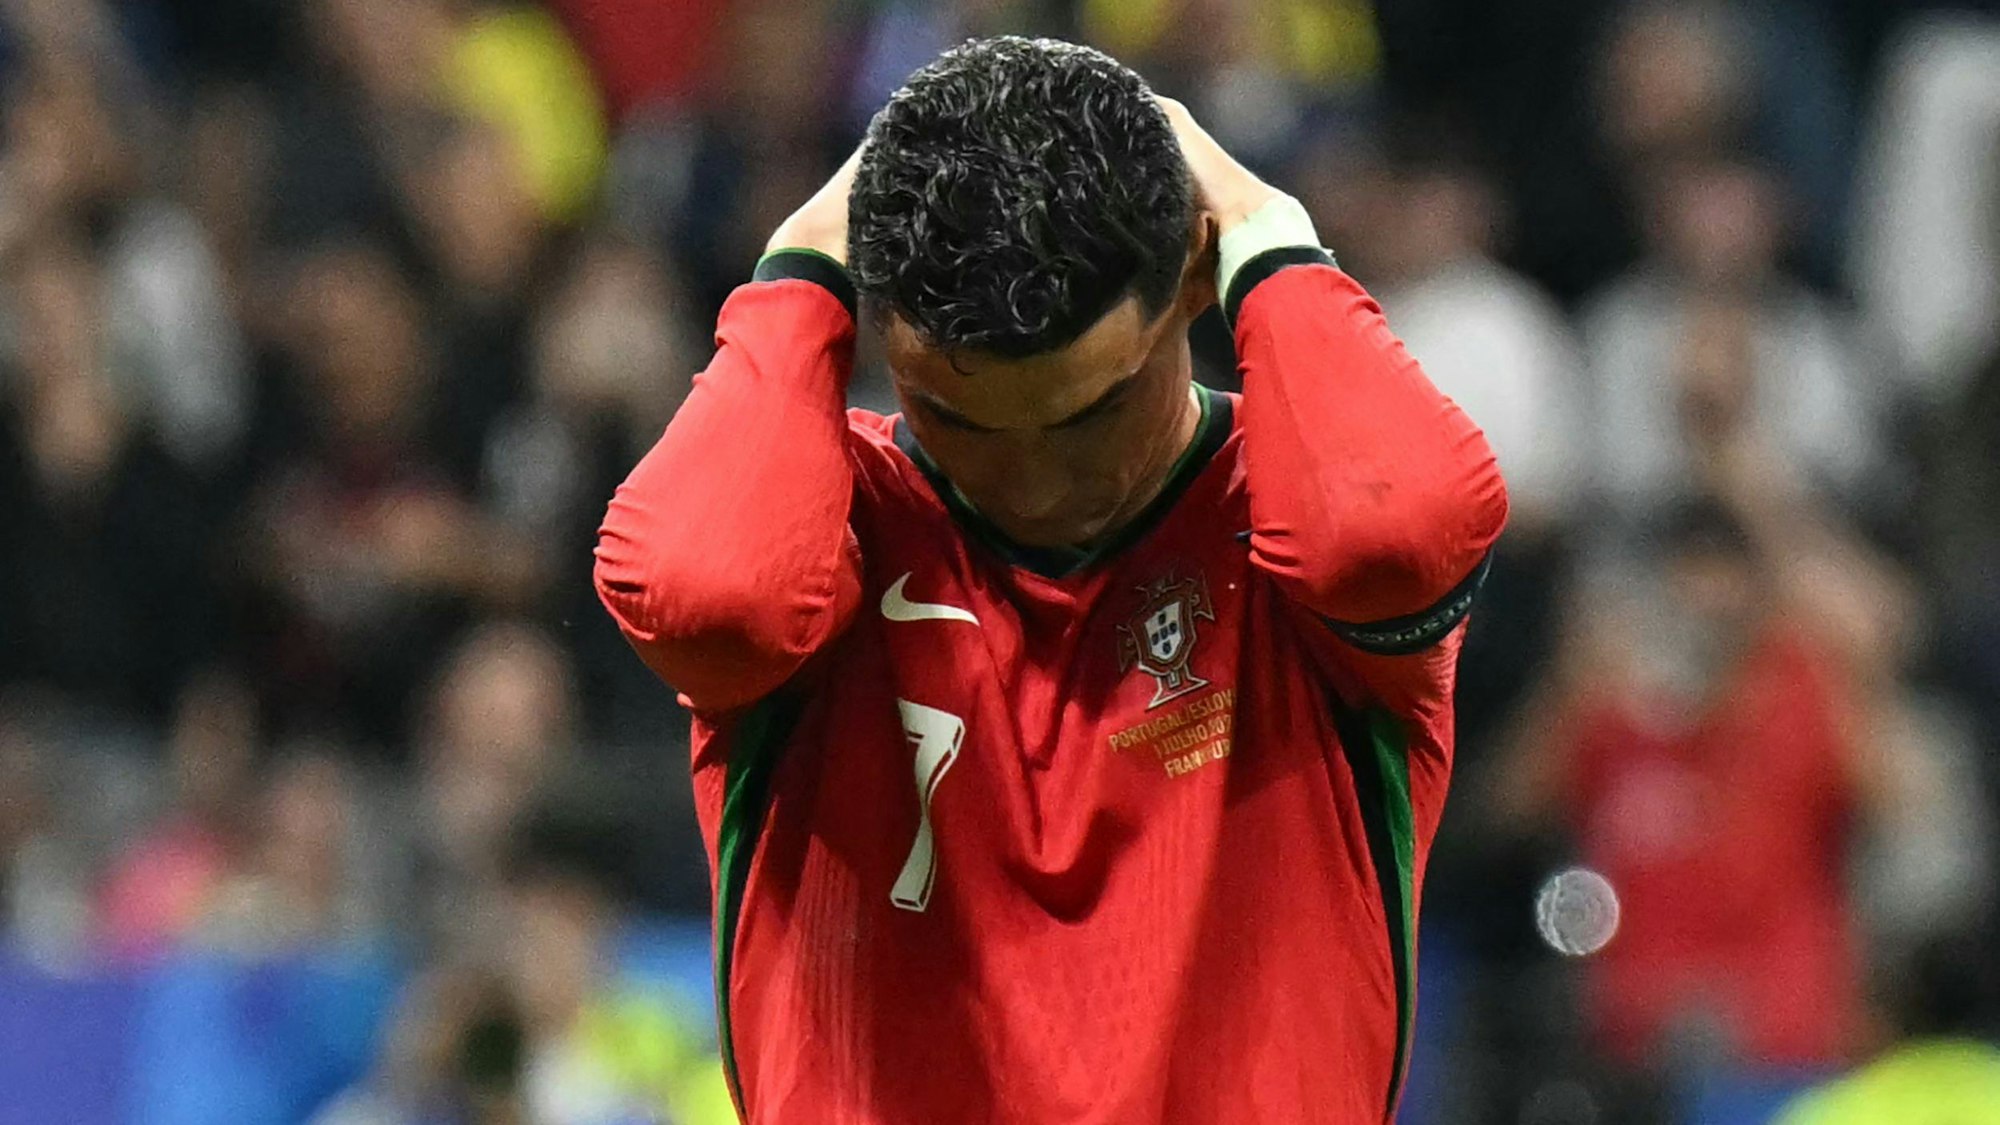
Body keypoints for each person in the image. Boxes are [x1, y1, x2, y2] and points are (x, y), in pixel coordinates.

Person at [595, 37, 1506, 1124]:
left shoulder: (1283, 532)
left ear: (1189, 282)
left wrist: (1267, 233)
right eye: (957, 418)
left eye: (1087, 414)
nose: (1030, 477)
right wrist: (798, 270)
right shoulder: (840, 530)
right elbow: (705, 592)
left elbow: (1395, 529)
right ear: (876, 330)